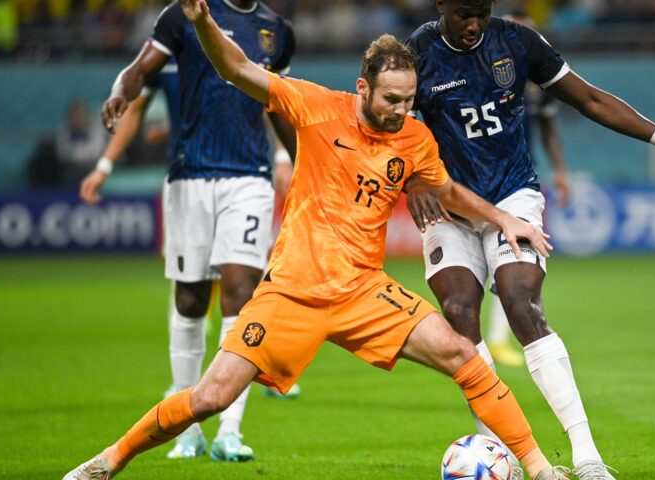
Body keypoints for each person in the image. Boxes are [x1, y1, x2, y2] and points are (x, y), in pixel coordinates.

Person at [63, 3, 571, 479]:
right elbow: (238, 69)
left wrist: (503, 219)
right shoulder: (314, 106)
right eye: (391, 100)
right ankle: (108, 461)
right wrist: (202, 24)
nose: (400, 111)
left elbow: (447, 190)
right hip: (291, 293)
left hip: (364, 293)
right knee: (210, 397)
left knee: (463, 355)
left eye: (410, 101)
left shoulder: (415, 140)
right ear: (363, 89)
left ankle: (541, 470)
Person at [403, 1, 655, 478]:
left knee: (521, 303)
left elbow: (591, 99)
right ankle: (500, 454)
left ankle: (588, 458)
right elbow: (392, 126)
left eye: (481, 11)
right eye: (462, 14)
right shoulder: (416, 53)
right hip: (448, 206)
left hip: (512, 198)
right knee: (458, 315)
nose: (473, 23)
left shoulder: (516, 42)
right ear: (440, 6)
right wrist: (414, 179)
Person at [97, 0, 296, 462]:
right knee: (189, 297)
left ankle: (230, 428)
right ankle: (185, 427)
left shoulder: (276, 30)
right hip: (190, 175)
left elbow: (281, 102)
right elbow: (141, 68)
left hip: (249, 177)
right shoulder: (183, 15)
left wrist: (299, 162)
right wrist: (121, 92)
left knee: (240, 293)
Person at [79, 59, 301, 404]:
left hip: (245, 176)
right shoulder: (168, 45)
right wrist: (105, 166)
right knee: (189, 288)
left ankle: (251, 373)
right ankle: (185, 385)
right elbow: (139, 108)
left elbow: (270, 102)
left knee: (246, 280)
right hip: (189, 180)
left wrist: (284, 158)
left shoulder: (243, 42)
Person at [485, 10, 572, 368]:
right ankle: (492, 339)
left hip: (522, 180)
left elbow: (549, 128)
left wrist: (561, 171)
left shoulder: (537, 83)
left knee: (517, 260)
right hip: (479, 178)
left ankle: (500, 337)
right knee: (500, 262)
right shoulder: (484, 72)